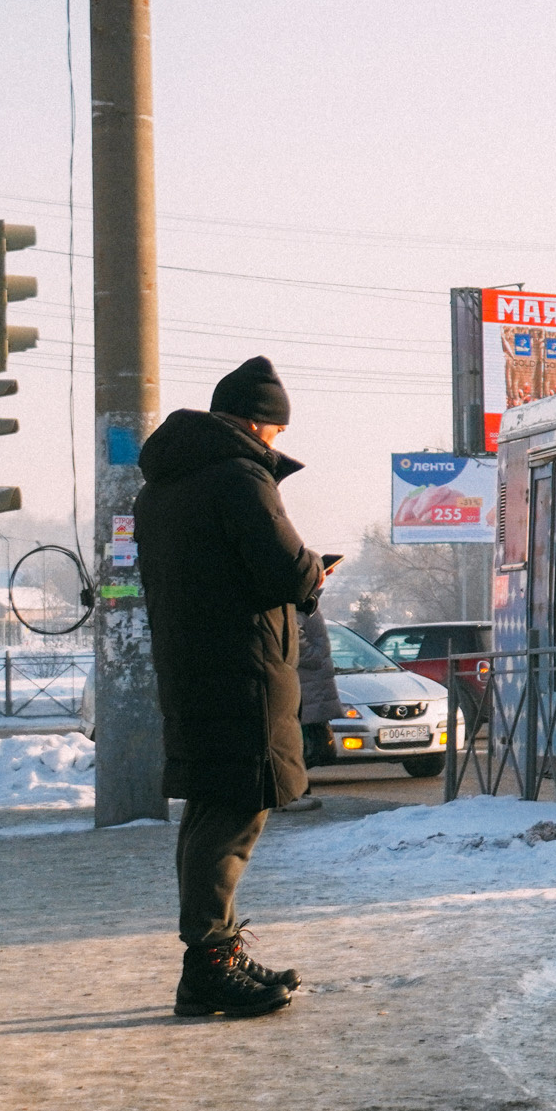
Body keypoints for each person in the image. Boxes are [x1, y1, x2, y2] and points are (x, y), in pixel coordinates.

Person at [136, 356, 326, 1018]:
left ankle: (214, 955)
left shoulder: (163, 484)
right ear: (259, 423)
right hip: (242, 672)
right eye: (275, 433)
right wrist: (314, 571)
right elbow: (286, 571)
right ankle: (210, 964)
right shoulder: (240, 477)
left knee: (211, 807)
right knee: (237, 809)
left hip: (196, 669)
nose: (274, 445)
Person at [287, 604, 340, 812]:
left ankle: (297, 788)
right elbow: (295, 636)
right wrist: (316, 655)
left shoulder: (307, 603)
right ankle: (294, 790)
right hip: (307, 686)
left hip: (312, 686)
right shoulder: (300, 604)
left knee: (307, 744)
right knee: (305, 744)